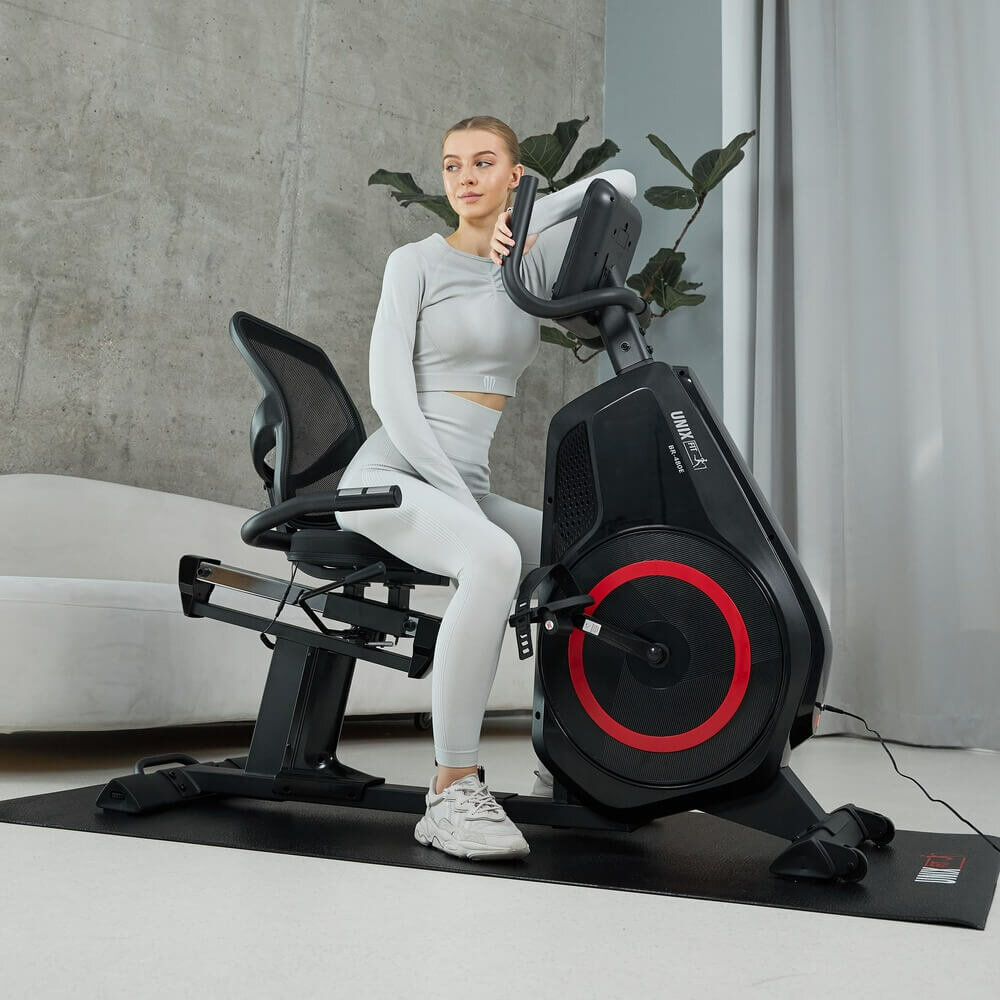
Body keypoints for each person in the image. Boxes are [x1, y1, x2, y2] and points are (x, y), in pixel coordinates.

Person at [336, 114, 636, 861]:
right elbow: (390, 394)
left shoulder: (526, 262)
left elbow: (621, 185)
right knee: (494, 557)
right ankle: (450, 789)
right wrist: (461, 504)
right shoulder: (414, 262)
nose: (464, 177)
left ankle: (569, 756)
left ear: (513, 176)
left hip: (461, 482)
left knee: (594, 562)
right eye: (451, 165)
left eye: (483, 162)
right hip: (390, 477)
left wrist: (530, 220)